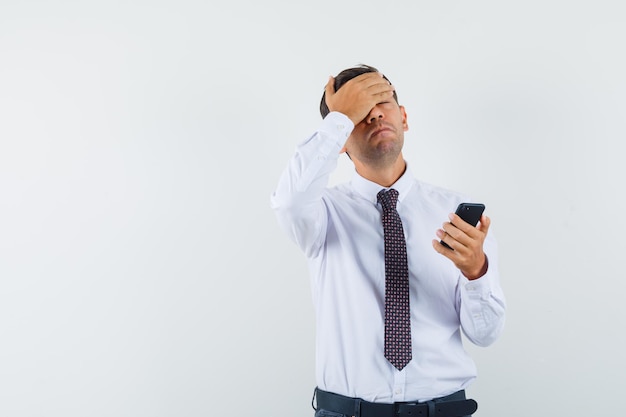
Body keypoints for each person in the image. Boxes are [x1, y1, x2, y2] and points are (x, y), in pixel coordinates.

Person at [270, 64, 506, 417]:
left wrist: (476, 272)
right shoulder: (321, 214)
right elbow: (288, 201)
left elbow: (485, 334)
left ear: (405, 117)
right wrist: (337, 120)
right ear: (340, 138)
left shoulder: (453, 213)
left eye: (383, 102)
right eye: (359, 110)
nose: (375, 113)